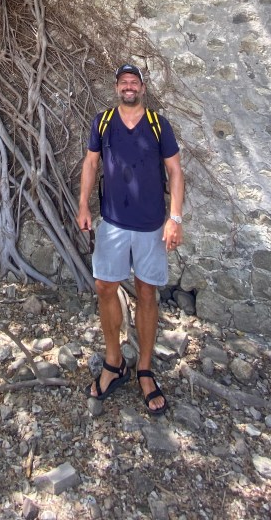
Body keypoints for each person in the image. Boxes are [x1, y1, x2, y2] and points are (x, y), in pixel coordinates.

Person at [76, 63, 185, 415]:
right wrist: (84, 205)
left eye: (134, 82)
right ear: (116, 88)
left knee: (147, 292)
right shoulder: (103, 122)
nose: (128, 87)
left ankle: (145, 370)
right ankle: (114, 362)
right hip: (113, 223)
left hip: (151, 226)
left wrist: (175, 219)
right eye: (123, 82)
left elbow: (175, 171)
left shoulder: (158, 124)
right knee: (105, 287)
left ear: (142, 88)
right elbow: (91, 164)